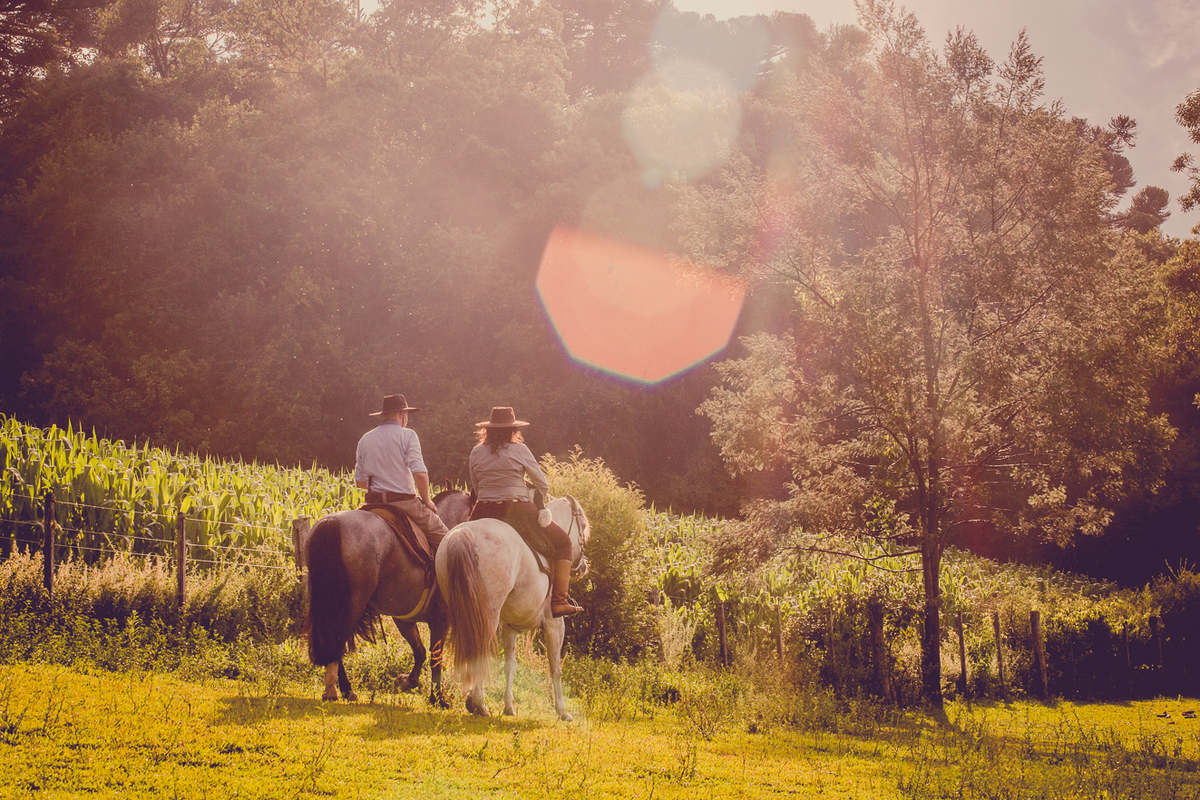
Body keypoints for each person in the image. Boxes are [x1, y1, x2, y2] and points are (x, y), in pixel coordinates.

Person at [468, 406, 582, 617]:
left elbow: (476, 486)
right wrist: (534, 496)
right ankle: (559, 601)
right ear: (513, 430)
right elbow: (542, 484)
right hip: (517, 509)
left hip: (482, 509)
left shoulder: (476, 452)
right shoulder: (520, 450)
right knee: (563, 542)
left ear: (488, 430)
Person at [354, 393, 449, 551]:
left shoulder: (365, 439)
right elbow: (419, 474)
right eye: (406, 415)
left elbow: (360, 483)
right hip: (404, 504)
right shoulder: (408, 435)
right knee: (448, 543)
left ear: (384, 415)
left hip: (372, 504)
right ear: (401, 414)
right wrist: (426, 500)